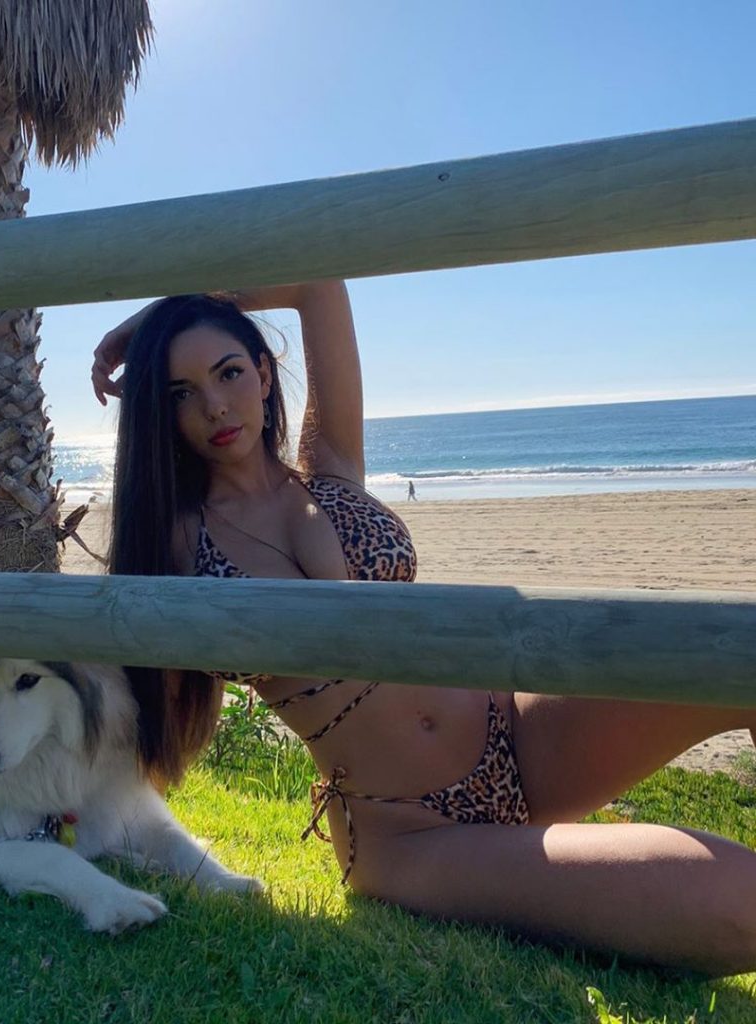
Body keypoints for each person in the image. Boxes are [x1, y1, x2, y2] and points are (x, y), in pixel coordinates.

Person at [90, 280, 756, 977]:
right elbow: (133, 698)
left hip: (521, 737)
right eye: (181, 393)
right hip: (409, 831)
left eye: (227, 373)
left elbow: (317, 284)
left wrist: (153, 322)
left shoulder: (330, 466)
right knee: (742, 904)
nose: (215, 406)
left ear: (262, 373)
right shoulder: (176, 542)